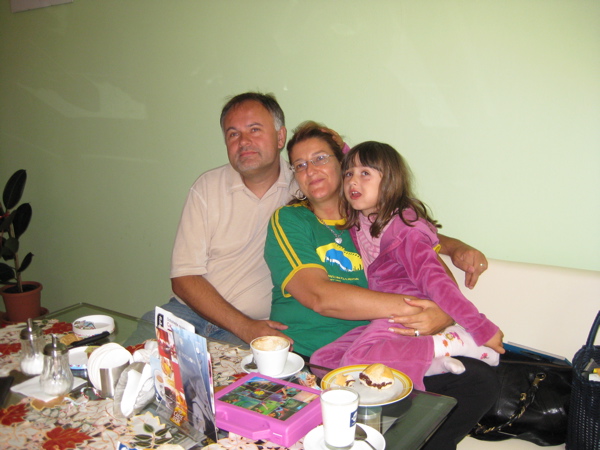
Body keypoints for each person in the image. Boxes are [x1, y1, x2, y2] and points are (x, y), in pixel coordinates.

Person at [144, 92, 489, 348]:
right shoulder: (209, 186)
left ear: (280, 137)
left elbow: (393, 221)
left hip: (256, 329)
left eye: (254, 129)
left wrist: (453, 247)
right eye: (233, 133)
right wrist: (245, 327)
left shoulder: (309, 183)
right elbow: (183, 278)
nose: (243, 141)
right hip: (195, 316)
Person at [264, 121, 500, 449]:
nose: (311, 170)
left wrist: (452, 257)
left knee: (480, 382)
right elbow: (320, 296)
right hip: (317, 355)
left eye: (320, 158)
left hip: (382, 347)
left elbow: (415, 243)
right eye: (300, 165)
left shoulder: (364, 219)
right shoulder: (292, 220)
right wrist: (420, 310)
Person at [310, 141, 504, 391]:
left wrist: (480, 328)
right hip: (386, 312)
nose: (353, 181)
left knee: (356, 362)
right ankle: (432, 363)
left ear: (390, 181)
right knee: (322, 362)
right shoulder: (362, 218)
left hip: (412, 311)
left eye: (365, 173)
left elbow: (437, 281)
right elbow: (346, 160)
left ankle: (456, 343)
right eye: (348, 174)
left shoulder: (406, 232)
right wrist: (337, 144)